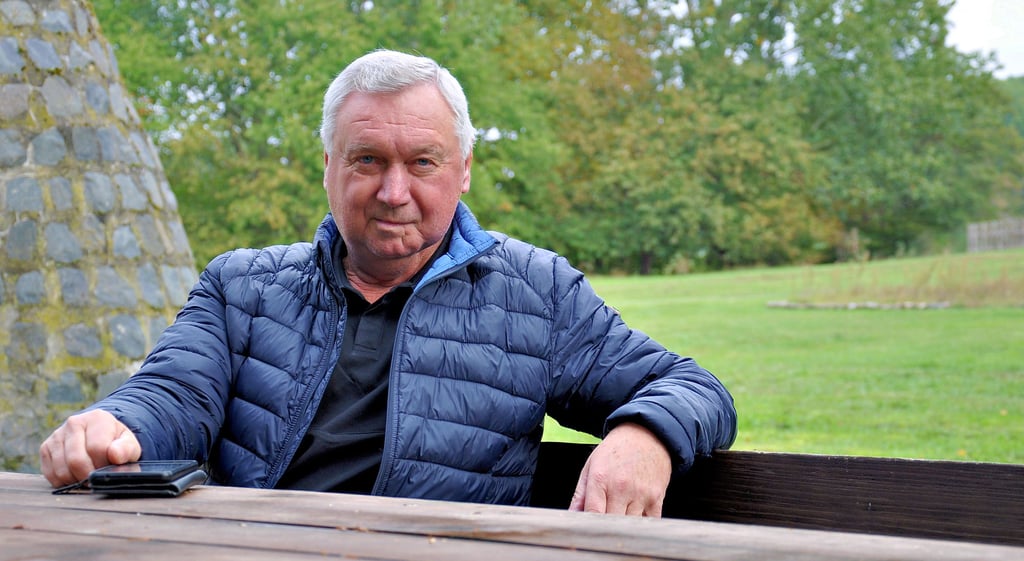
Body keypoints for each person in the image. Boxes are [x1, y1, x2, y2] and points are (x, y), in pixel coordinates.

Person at [40, 49, 736, 516]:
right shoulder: (240, 287)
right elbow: (172, 393)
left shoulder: (536, 293)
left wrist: (646, 434)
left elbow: (695, 387)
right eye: (367, 158)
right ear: (328, 165)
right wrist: (116, 426)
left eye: (423, 162)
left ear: (462, 169)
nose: (393, 191)